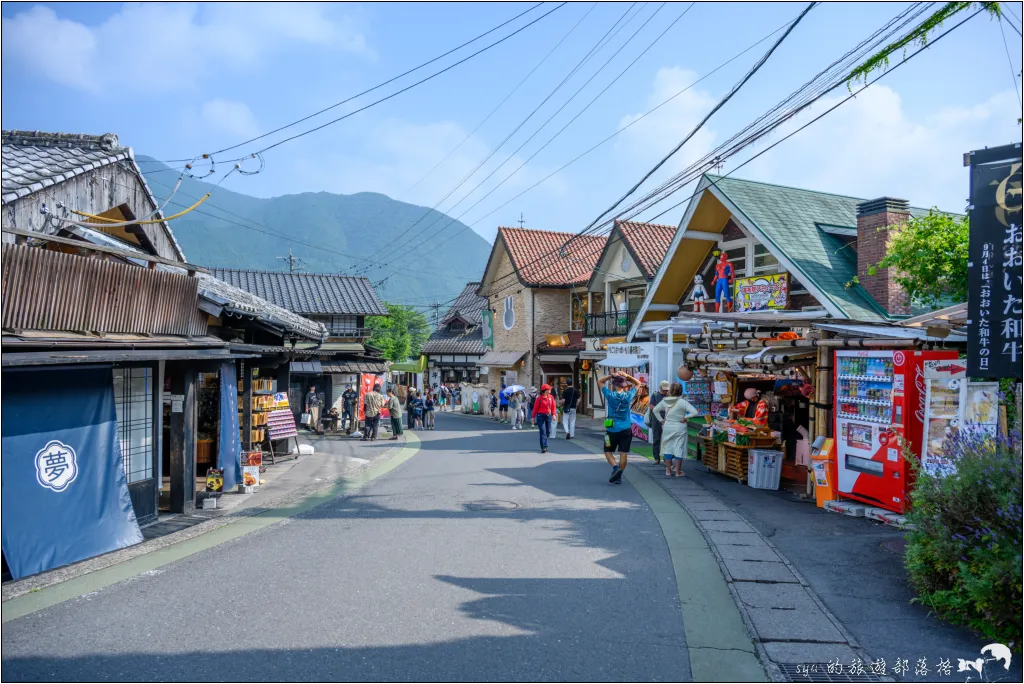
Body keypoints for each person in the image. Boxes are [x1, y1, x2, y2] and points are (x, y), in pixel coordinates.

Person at [598, 371, 642, 484]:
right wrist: (628, 376)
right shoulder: (628, 396)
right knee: (623, 452)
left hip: (611, 429)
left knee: (607, 450)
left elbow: (600, 381)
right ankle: (619, 476)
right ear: (624, 386)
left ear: (614, 384)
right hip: (626, 428)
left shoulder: (610, 395)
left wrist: (611, 375)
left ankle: (615, 468)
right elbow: (638, 384)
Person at [652, 382, 699, 477]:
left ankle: (668, 471)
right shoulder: (683, 402)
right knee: (679, 448)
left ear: (671, 391)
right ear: (680, 391)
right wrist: (686, 417)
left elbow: (655, 410)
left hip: (668, 426)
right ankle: (678, 472)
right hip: (680, 426)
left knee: (668, 448)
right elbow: (695, 412)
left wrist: (661, 420)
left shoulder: (665, 401)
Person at [531, 383, 558, 453]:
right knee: (543, 432)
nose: (550, 390)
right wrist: (533, 417)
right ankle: (544, 447)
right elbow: (535, 408)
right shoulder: (539, 398)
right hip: (541, 416)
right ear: (545, 390)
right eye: (548, 389)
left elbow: (553, 406)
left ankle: (544, 443)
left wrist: (554, 414)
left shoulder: (551, 397)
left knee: (548, 431)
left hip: (548, 416)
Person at [648, 380, 669, 465]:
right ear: (660, 388)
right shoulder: (655, 395)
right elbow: (651, 406)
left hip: (667, 418)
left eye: (666, 389)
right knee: (656, 438)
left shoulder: (669, 395)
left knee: (666, 439)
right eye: (664, 389)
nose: (665, 391)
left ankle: (666, 457)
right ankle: (656, 458)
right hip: (656, 419)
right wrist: (659, 408)